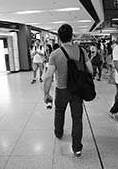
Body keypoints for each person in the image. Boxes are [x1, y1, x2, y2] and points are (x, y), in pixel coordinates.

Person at [43, 24, 93, 157]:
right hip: (77, 90)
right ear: (72, 36)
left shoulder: (55, 54)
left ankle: (58, 132)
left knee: (59, 112)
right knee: (77, 118)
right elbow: (91, 71)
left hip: (61, 90)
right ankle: (77, 148)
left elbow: (48, 76)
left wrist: (46, 93)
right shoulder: (82, 51)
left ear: (59, 38)